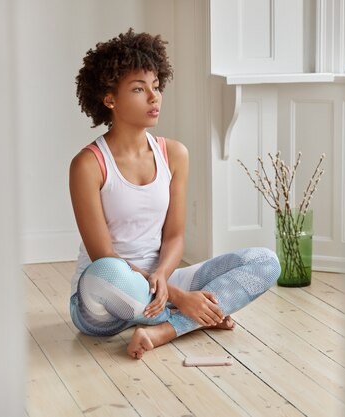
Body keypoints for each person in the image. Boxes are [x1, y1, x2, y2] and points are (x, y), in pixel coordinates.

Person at [69, 29, 280, 359]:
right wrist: (181, 298)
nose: (154, 97)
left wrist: (164, 278)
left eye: (156, 87)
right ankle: (194, 316)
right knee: (107, 273)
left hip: (163, 279)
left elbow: (175, 237)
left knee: (265, 262)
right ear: (110, 99)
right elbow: (103, 255)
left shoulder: (175, 154)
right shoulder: (88, 165)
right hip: (104, 297)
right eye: (139, 89)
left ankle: (165, 330)